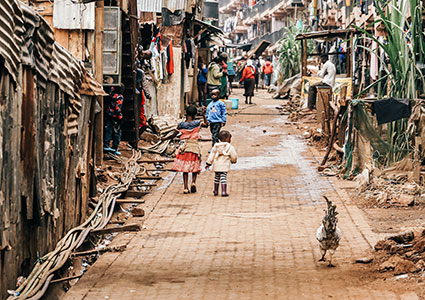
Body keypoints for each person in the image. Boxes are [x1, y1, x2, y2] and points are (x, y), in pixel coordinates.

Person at [166, 105, 208, 194]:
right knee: (194, 166)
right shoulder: (197, 123)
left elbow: (174, 135)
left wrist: (164, 139)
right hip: (194, 146)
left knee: (185, 168)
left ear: (186, 113)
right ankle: (193, 182)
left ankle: (185, 187)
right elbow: (206, 125)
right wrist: (204, 115)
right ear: (195, 114)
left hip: (184, 147)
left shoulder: (181, 124)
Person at [205, 130, 238, 197]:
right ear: (227, 139)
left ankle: (216, 190)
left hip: (216, 165)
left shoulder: (216, 146)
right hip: (224, 165)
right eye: (230, 138)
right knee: (223, 178)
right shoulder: (229, 147)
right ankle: (223, 191)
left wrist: (208, 163)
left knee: (216, 178)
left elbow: (212, 155)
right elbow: (234, 155)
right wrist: (233, 160)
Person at [104, 85, 124, 156]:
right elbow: (117, 107)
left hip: (108, 114)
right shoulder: (120, 97)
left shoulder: (111, 95)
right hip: (115, 116)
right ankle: (114, 148)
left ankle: (106, 145)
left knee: (108, 130)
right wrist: (120, 116)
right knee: (117, 132)